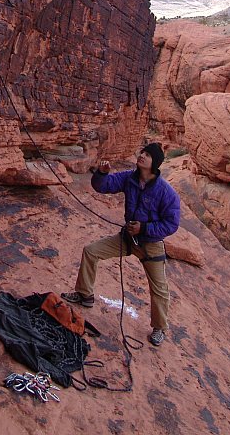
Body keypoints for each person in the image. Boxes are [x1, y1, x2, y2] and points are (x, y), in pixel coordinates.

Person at [62, 143, 180, 346]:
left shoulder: (166, 193)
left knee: (159, 288)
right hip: (127, 238)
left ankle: (159, 328)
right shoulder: (129, 178)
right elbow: (102, 186)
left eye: (147, 155)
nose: (141, 156)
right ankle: (84, 295)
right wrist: (101, 173)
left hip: (150, 244)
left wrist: (144, 229)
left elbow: (171, 224)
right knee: (91, 251)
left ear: (155, 163)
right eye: (142, 152)